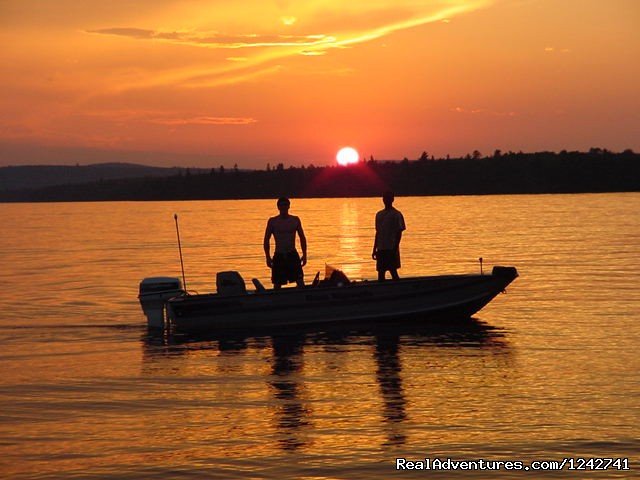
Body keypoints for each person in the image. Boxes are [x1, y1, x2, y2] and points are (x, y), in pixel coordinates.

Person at [264, 197, 307, 288]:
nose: (284, 207)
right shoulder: (273, 221)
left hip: (292, 254)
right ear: (278, 207)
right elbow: (266, 240)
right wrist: (267, 257)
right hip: (279, 255)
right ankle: (276, 300)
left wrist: (305, 254)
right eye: (282, 205)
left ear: (289, 206)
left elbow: (302, 237)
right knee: (277, 283)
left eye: (285, 205)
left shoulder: (295, 220)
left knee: (300, 281)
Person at [372, 191, 406, 281]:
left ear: (392, 199)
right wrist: (374, 249)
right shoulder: (379, 214)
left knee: (393, 271)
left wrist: (395, 248)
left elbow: (399, 232)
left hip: (391, 248)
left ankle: (398, 289)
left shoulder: (396, 214)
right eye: (384, 198)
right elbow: (378, 233)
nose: (386, 200)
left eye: (388, 198)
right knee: (381, 273)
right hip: (381, 248)